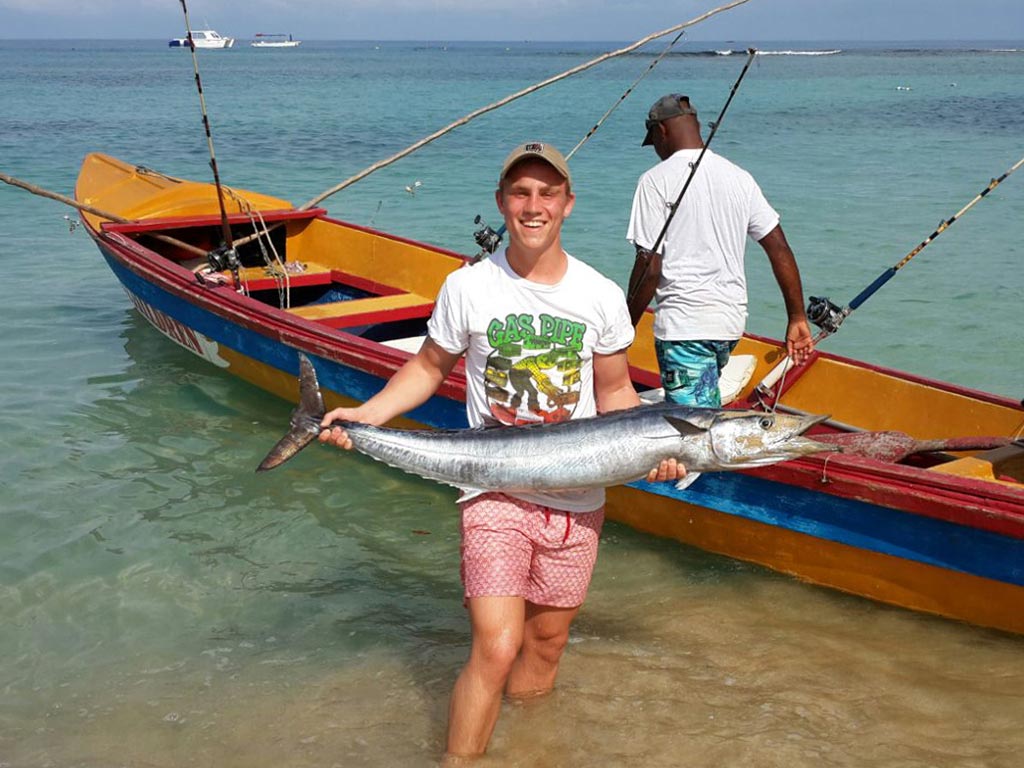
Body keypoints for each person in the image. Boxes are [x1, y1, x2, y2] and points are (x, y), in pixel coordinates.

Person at [318, 142, 683, 761]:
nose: (533, 206)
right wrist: (368, 414)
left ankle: (527, 750)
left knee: (547, 643)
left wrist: (658, 451)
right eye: (520, 193)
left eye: (547, 194)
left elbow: (617, 390)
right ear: (501, 203)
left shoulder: (599, 295)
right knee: (495, 645)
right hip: (494, 489)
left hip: (577, 499)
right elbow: (430, 367)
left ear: (569, 204)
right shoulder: (470, 287)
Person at [626, 93, 815, 407]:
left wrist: (625, 327)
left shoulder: (654, 181)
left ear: (661, 132)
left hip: (684, 326)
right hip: (729, 326)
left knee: (691, 430)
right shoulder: (740, 178)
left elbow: (650, 267)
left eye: (655, 142)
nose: (657, 152)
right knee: (702, 410)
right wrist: (796, 316)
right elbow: (779, 247)